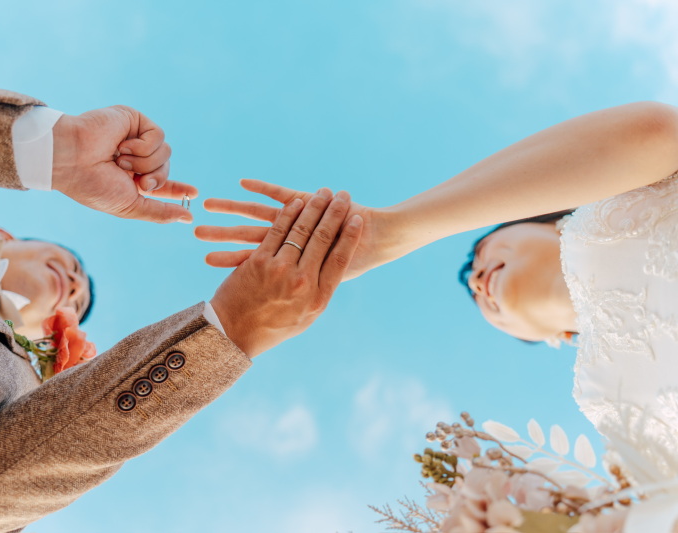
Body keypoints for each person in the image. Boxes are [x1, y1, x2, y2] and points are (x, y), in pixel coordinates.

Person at [0, 59, 363, 533]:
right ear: (7, 236)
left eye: (77, 295)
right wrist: (56, 148)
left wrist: (232, 326)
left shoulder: (15, 387)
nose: (74, 281)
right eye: (69, 265)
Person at [197, 101, 678, 527]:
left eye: (482, 251)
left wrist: (395, 230)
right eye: (478, 294)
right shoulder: (603, 400)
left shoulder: (624, 194)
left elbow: (659, 131)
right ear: (552, 337)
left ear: (542, 219)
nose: (476, 279)